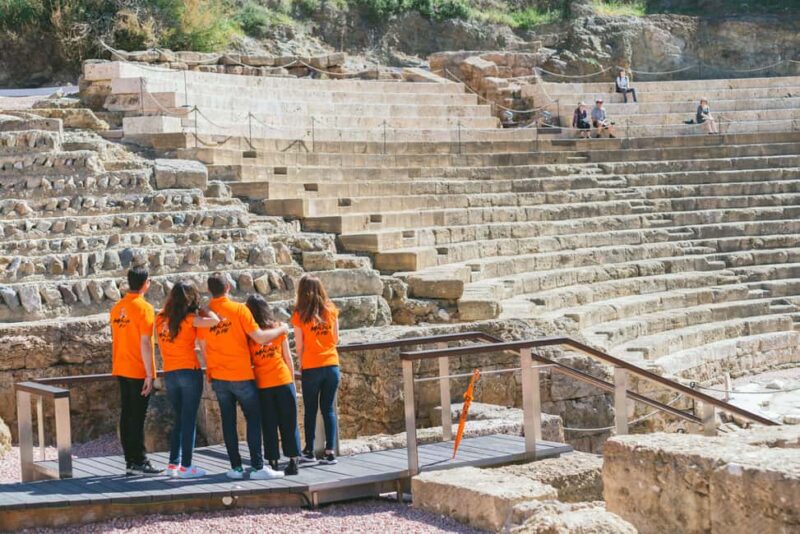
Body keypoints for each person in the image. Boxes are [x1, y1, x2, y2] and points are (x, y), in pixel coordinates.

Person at [198, 272, 290, 480]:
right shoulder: (240, 310)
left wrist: (212, 371)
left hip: (219, 376)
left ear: (209, 290)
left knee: (228, 422)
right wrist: (282, 328)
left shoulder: (205, 315)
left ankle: (236, 468)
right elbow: (259, 337)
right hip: (240, 373)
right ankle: (258, 467)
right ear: (228, 288)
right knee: (253, 419)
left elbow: (203, 349)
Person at [156, 282, 220, 479]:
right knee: (189, 419)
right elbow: (215, 320)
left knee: (179, 418)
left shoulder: (159, 319)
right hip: (189, 371)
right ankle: (186, 466)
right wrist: (202, 307)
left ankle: (173, 463)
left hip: (170, 373)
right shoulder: (191, 319)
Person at [110, 267, 161, 475]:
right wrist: (150, 374)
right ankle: (139, 460)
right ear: (145, 283)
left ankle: (130, 460)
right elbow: (145, 343)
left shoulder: (117, 307)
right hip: (137, 368)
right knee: (138, 416)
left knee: (127, 414)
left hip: (120, 366)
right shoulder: (144, 308)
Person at [246, 294, 301, 476]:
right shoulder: (278, 328)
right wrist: (292, 382)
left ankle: (273, 461)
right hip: (283, 379)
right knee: (289, 423)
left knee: (269, 425)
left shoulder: (251, 335)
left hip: (263, 384)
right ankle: (293, 461)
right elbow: (287, 357)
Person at [292, 274, 340, 466]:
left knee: (310, 410)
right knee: (328, 409)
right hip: (331, 364)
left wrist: (301, 362)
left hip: (312, 366)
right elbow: (336, 339)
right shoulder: (331, 311)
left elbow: (299, 345)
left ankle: (309, 450)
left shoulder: (299, 315)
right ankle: (330, 452)